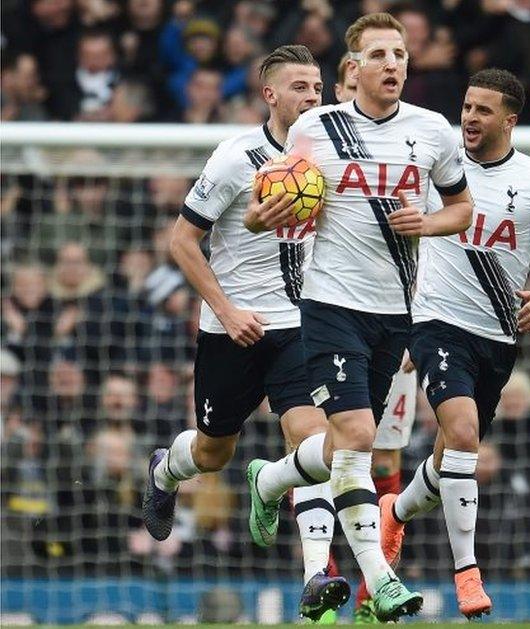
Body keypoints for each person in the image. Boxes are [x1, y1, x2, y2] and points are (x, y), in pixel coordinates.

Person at [245, 12, 474, 623]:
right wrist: (261, 216)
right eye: (379, 54)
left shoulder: (432, 131)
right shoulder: (317, 129)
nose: (393, 64)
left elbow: (462, 209)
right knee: (359, 440)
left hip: (398, 312)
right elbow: (262, 204)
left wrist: (425, 223)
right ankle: (380, 576)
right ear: (354, 67)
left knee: (352, 449)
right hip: (330, 306)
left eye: (400, 54)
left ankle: (270, 481)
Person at [140, 45, 350, 623]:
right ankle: (164, 469)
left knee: (312, 444)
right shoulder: (236, 157)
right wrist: (227, 311)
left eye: (317, 87)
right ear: (270, 95)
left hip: (303, 326)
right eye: (301, 88)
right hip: (233, 329)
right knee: (213, 453)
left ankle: (315, 577)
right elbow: (181, 241)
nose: (313, 97)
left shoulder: (331, 151)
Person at [377, 67, 530, 619]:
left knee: (451, 460)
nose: (469, 117)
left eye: (483, 110)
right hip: (436, 323)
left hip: (499, 337)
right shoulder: (437, 166)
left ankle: (395, 512)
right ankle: (467, 572)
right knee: (464, 433)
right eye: (467, 107)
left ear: (510, 120)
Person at [331, 48, 421, 625]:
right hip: (327, 321)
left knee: (383, 452)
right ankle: (325, 575)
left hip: (395, 319)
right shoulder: (312, 153)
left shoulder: (408, 146)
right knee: (325, 448)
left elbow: (432, 232)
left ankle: (370, 594)